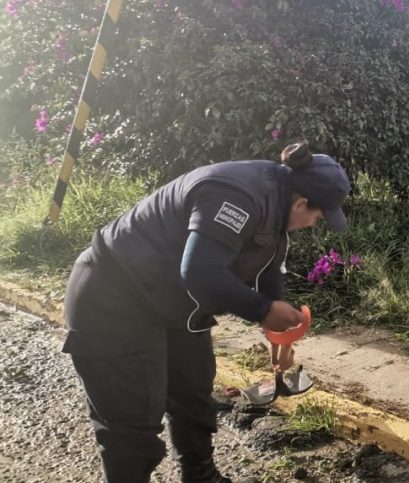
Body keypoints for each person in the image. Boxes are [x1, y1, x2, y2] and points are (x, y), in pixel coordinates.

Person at [63, 141, 351, 483]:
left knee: (193, 394)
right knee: (131, 424)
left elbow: (269, 274)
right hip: (114, 296)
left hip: (172, 301)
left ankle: (201, 478)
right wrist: (262, 310)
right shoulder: (237, 196)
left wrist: (279, 335)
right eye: (317, 218)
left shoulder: (277, 208)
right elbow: (200, 272)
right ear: (301, 202)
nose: (313, 224)